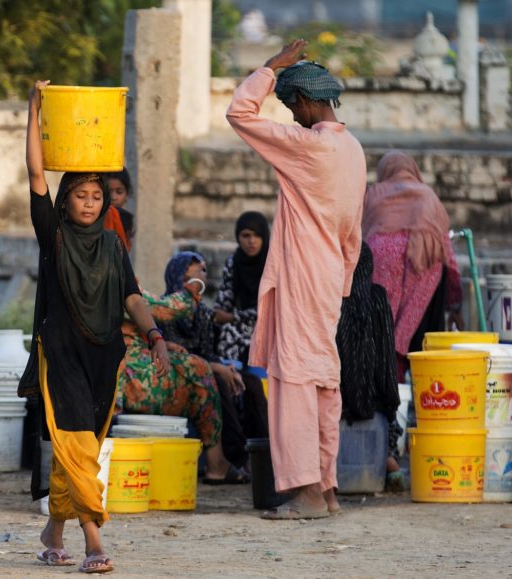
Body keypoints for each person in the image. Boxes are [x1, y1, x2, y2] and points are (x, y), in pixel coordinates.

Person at [19, 79, 168, 574]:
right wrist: (35, 106)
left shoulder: (112, 245)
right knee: (79, 445)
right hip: (60, 352)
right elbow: (36, 172)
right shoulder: (53, 235)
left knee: (77, 446)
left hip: (104, 354)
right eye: (80, 194)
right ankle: (93, 540)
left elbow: (131, 296)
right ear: (65, 202)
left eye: (96, 195)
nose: (88, 202)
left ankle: (52, 531)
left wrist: (154, 335)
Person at [226, 39, 366, 519]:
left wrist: (269, 68)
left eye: (290, 107)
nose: (289, 117)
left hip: (305, 274)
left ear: (306, 103)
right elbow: (354, 231)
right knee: (324, 379)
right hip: (327, 278)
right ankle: (326, 489)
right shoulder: (352, 149)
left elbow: (240, 115)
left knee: (294, 379)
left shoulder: (310, 147)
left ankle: (306, 489)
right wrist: (342, 282)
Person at [116, 279, 250, 484]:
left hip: (123, 362)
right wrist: (192, 290)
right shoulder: (116, 274)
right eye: (195, 269)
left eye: (204, 270)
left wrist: (164, 344)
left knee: (225, 377)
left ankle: (223, 459)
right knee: (201, 370)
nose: (201, 273)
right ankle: (216, 462)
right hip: (127, 372)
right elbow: (161, 309)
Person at [159, 252, 269, 473]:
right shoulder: (164, 310)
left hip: (204, 367)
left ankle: (266, 454)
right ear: (180, 279)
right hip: (179, 373)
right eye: (196, 273)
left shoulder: (201, 312)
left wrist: (225, 367)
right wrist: (216, 368)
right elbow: (175, 353)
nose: (203, 276)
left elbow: (208, 350)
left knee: (251, 383)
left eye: (203, 271)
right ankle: (235, 457)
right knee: (218, 380)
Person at [363, 150, 463, 380]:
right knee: (411, 327)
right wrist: (455, 305)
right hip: (423, 270)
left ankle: (390, 386)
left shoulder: (374, 194)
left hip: (381, 262)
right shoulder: (428, 196)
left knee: (382, 324)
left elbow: (356, 237)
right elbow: (448, 254)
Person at [335, 242, 404, 491]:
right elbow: (385, 356)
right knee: (390, 409)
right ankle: (388, 458)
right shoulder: (378, 297)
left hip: (337, 404)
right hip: (375, 402)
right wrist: (389, 401)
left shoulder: (330, 298)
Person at [215, 211, 269, 364]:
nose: (251, 241)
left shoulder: (273, 264)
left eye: (257, 235)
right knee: (225, 332)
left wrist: (233, 317)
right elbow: (223, 302)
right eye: (246, 236)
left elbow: (272, 307)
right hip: (240, 327)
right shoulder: (233, 262)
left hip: (268, 325)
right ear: (238, 237)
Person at [104, 168, 134, 242]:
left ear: (127, 194)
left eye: (119, 192)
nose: (113, 197)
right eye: (109, 192)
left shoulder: (126, 218)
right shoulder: (97, 220)